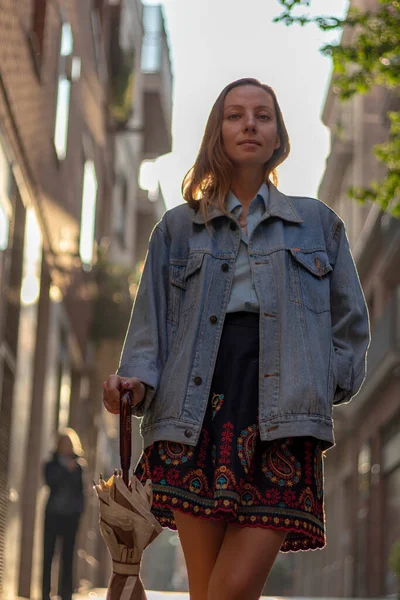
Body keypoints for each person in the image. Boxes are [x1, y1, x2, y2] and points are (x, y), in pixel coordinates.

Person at [103, 77, 370, 600]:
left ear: (278, 137)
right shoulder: (177, 229)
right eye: (235, 114)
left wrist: (324, 381)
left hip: (286, 414)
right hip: (192, 412)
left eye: (263, 115)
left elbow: (350, 324)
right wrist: (132, 381)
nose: (250, 123)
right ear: (217, 132)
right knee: (211, 593)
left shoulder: (319, 225)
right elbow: (150, 328)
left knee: (227, 591)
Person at [42, 428, 85, 600]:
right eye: (63, 444)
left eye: (69, 444)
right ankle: (45, 594)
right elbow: (49, 482)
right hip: (53, 515)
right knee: (48, 556)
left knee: (68, 558)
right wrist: (63, 468)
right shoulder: (51, 464)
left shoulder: (79, 466)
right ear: (58, 445)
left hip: (70, 517)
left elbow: (81, 493)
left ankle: (66, 594)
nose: (66, 447)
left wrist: (79, 513)